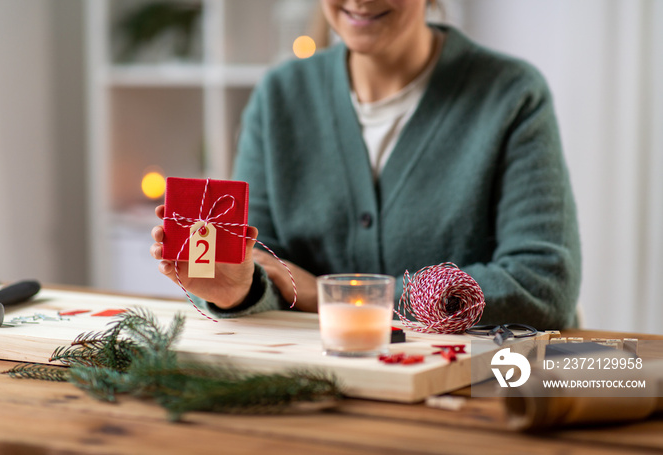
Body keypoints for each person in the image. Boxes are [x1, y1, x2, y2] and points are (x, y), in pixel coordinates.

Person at [151, 0, 581, 330]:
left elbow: (541, 285)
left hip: (490, 388)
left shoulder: (512, 95)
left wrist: (337, 297)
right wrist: (238, 291)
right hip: (327, 388)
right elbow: (268, 268)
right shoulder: (279, 96)